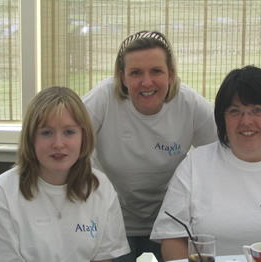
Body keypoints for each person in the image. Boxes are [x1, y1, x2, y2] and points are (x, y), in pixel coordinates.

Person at [150, 65, 261, 259]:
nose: (246, 121)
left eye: (257, 110)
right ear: (222, 119)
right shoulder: (196, 164)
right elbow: (172, 238)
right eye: (235, 111)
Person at [82, 30, 218, 261]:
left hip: (169, 223)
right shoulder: (104, 98)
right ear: (123, 77)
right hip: (111, 219)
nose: (147, 82)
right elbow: (67, 141)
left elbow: (226, 148)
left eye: (156, 71)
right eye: (136, 73)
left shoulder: (189, 103)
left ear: (170, 75)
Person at [0, 86, 130, 262]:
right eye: (46, 133)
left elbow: (103, 258)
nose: (58, 144)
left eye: (69, 132)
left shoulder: (100, 187)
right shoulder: (1, 195)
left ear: (84, 136)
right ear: (30, 138)